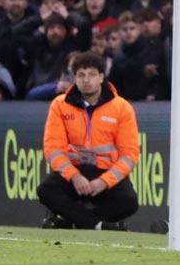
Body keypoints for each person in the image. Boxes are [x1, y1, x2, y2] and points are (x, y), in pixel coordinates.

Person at [37, 51, 140, 229]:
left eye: (92, 74)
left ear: (101, 77)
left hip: (104, 172)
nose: (86, 80)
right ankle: (97, 224)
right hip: (73, 171)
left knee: (129, 202)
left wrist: (104, 181)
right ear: (74, 78)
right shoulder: (60, 105)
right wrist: (75, 176)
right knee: (45, 190)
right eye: (81, 75)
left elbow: (129, 155)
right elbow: (53, 149)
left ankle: (74, 220)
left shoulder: (122, 108)